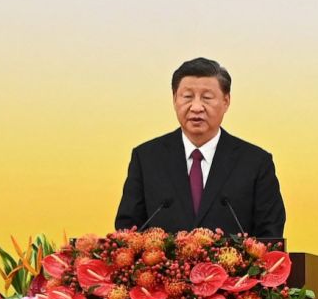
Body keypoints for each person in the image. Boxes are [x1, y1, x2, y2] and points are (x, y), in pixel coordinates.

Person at [114, 57, 285, 237]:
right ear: (174, 99)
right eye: (187, 97)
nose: (196, 107)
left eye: (207, 98)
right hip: (162, 266)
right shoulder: (146, 158)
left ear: (226, 101)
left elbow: (270, 235)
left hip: (230, 265)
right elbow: (127, 231)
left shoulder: (255, 162)